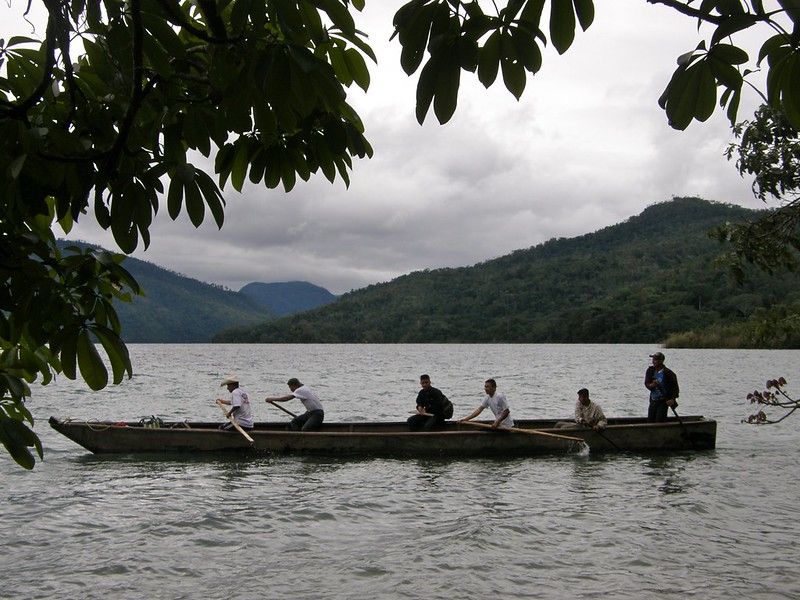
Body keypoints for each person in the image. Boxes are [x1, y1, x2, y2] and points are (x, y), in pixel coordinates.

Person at [645, 351, 680, 423]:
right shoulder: (650, 370)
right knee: (650, 421)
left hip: (663, 401)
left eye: (656, 360)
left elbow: (675, 388)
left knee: (659, 421)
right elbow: (647, 383)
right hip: (653, 400)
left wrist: (672, 399)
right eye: (653, 359)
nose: (653, 361)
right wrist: (652, 385)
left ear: (661, 361)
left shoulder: (668, 373)